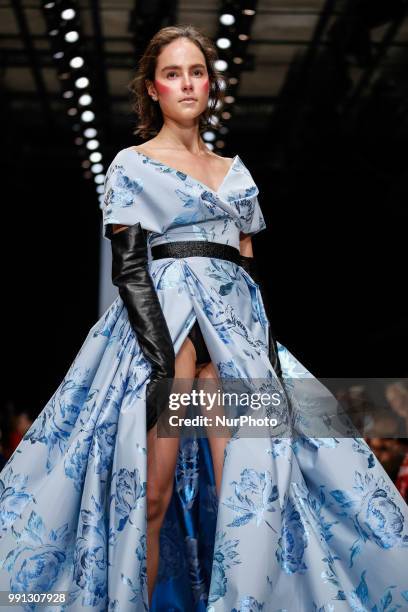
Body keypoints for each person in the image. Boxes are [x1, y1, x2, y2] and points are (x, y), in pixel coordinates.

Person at [1, 24, 408, 612]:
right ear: (153, 89)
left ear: (210, 85)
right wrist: (165, 356)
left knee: (253, 500)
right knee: (150, 497)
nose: (186, 83)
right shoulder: (132, 165)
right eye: (173, 73)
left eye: (196, 72)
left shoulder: (236, 174)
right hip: (160, 333)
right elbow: (130, 268)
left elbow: (248, 269)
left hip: (235, 340)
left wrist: (259, 354)